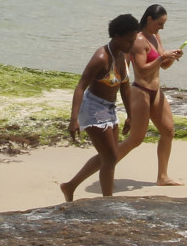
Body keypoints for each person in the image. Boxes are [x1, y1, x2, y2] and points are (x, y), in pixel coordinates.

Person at [60, 14, 143, 201]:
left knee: (110, 156)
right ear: (117, 36)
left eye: (133, 40)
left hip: (110, 108)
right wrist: (74, 120)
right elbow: (80, 87)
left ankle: (70, 186)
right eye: (129, 41)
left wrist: (130, 115)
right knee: (111, 157)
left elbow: (124, 87)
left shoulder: (124, 55)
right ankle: (108, 202)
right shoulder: (101, 58)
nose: (132, 45)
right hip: (93, 108)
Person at [118, 4, 184, 186]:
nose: (161, 28)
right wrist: (163, 57)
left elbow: (162, 65)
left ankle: (162, 176)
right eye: (160, 23)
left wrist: (172, 56)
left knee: (168, 131)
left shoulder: (155, 36)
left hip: (156, 91)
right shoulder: (138, 40)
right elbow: (142, 70)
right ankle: (106, 164)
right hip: (141, 92)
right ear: (149, 19)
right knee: (136, 139)